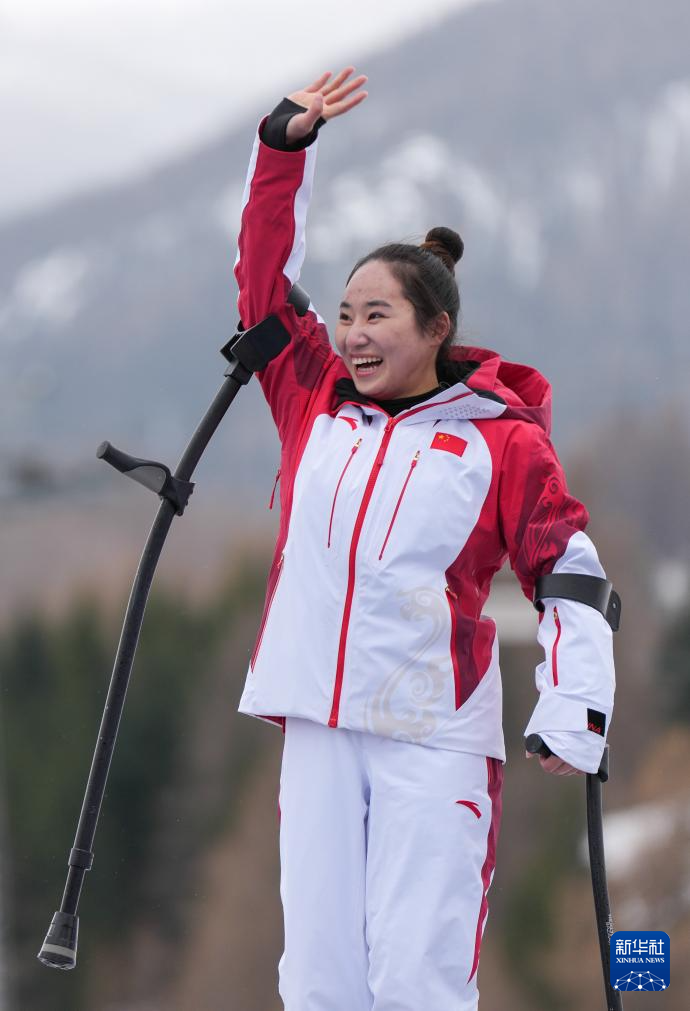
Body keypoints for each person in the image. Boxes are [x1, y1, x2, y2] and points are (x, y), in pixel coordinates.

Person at [232, 67, 615, 1011]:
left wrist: (575, 702)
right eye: (346, 315)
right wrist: (281, 151)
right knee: (318, 982)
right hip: (319, 726)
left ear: (437, 328)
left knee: (416, 978)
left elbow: (568, 570)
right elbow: (262, 287)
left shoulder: (500, 438)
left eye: (379, 317)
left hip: (432, 734)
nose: (354, 335)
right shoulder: (314, 399)